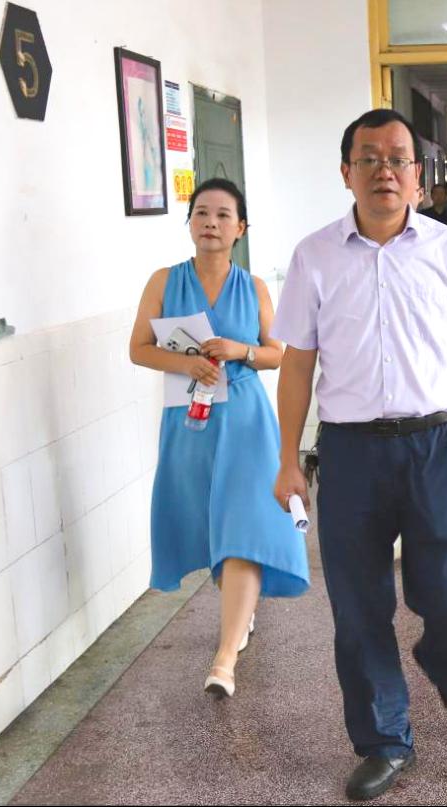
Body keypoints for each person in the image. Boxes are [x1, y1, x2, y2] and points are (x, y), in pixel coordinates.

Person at [271, 109, 447, 802]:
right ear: (346, 172)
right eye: (369, 158)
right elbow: (296, 364)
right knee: (358, 603)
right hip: (349, 453)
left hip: (434, 442)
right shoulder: (314, 256)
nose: (384, 170)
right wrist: (288, 459)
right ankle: (383, 739)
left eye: (397, 158)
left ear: (417, 175)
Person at [128, 178, 310, 699]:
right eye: (201, 213)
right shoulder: (164, 281)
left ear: (240, 228)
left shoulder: (254, 288)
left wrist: (238, 350)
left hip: (247, 421)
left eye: (223, 215)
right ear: (189, 223)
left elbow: (277, 353)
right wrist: (187, 363)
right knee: (212, 524)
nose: (211, 222)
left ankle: (225, 658)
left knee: (243, 526)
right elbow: (139, 348)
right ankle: (240, 615)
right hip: (191, 420)